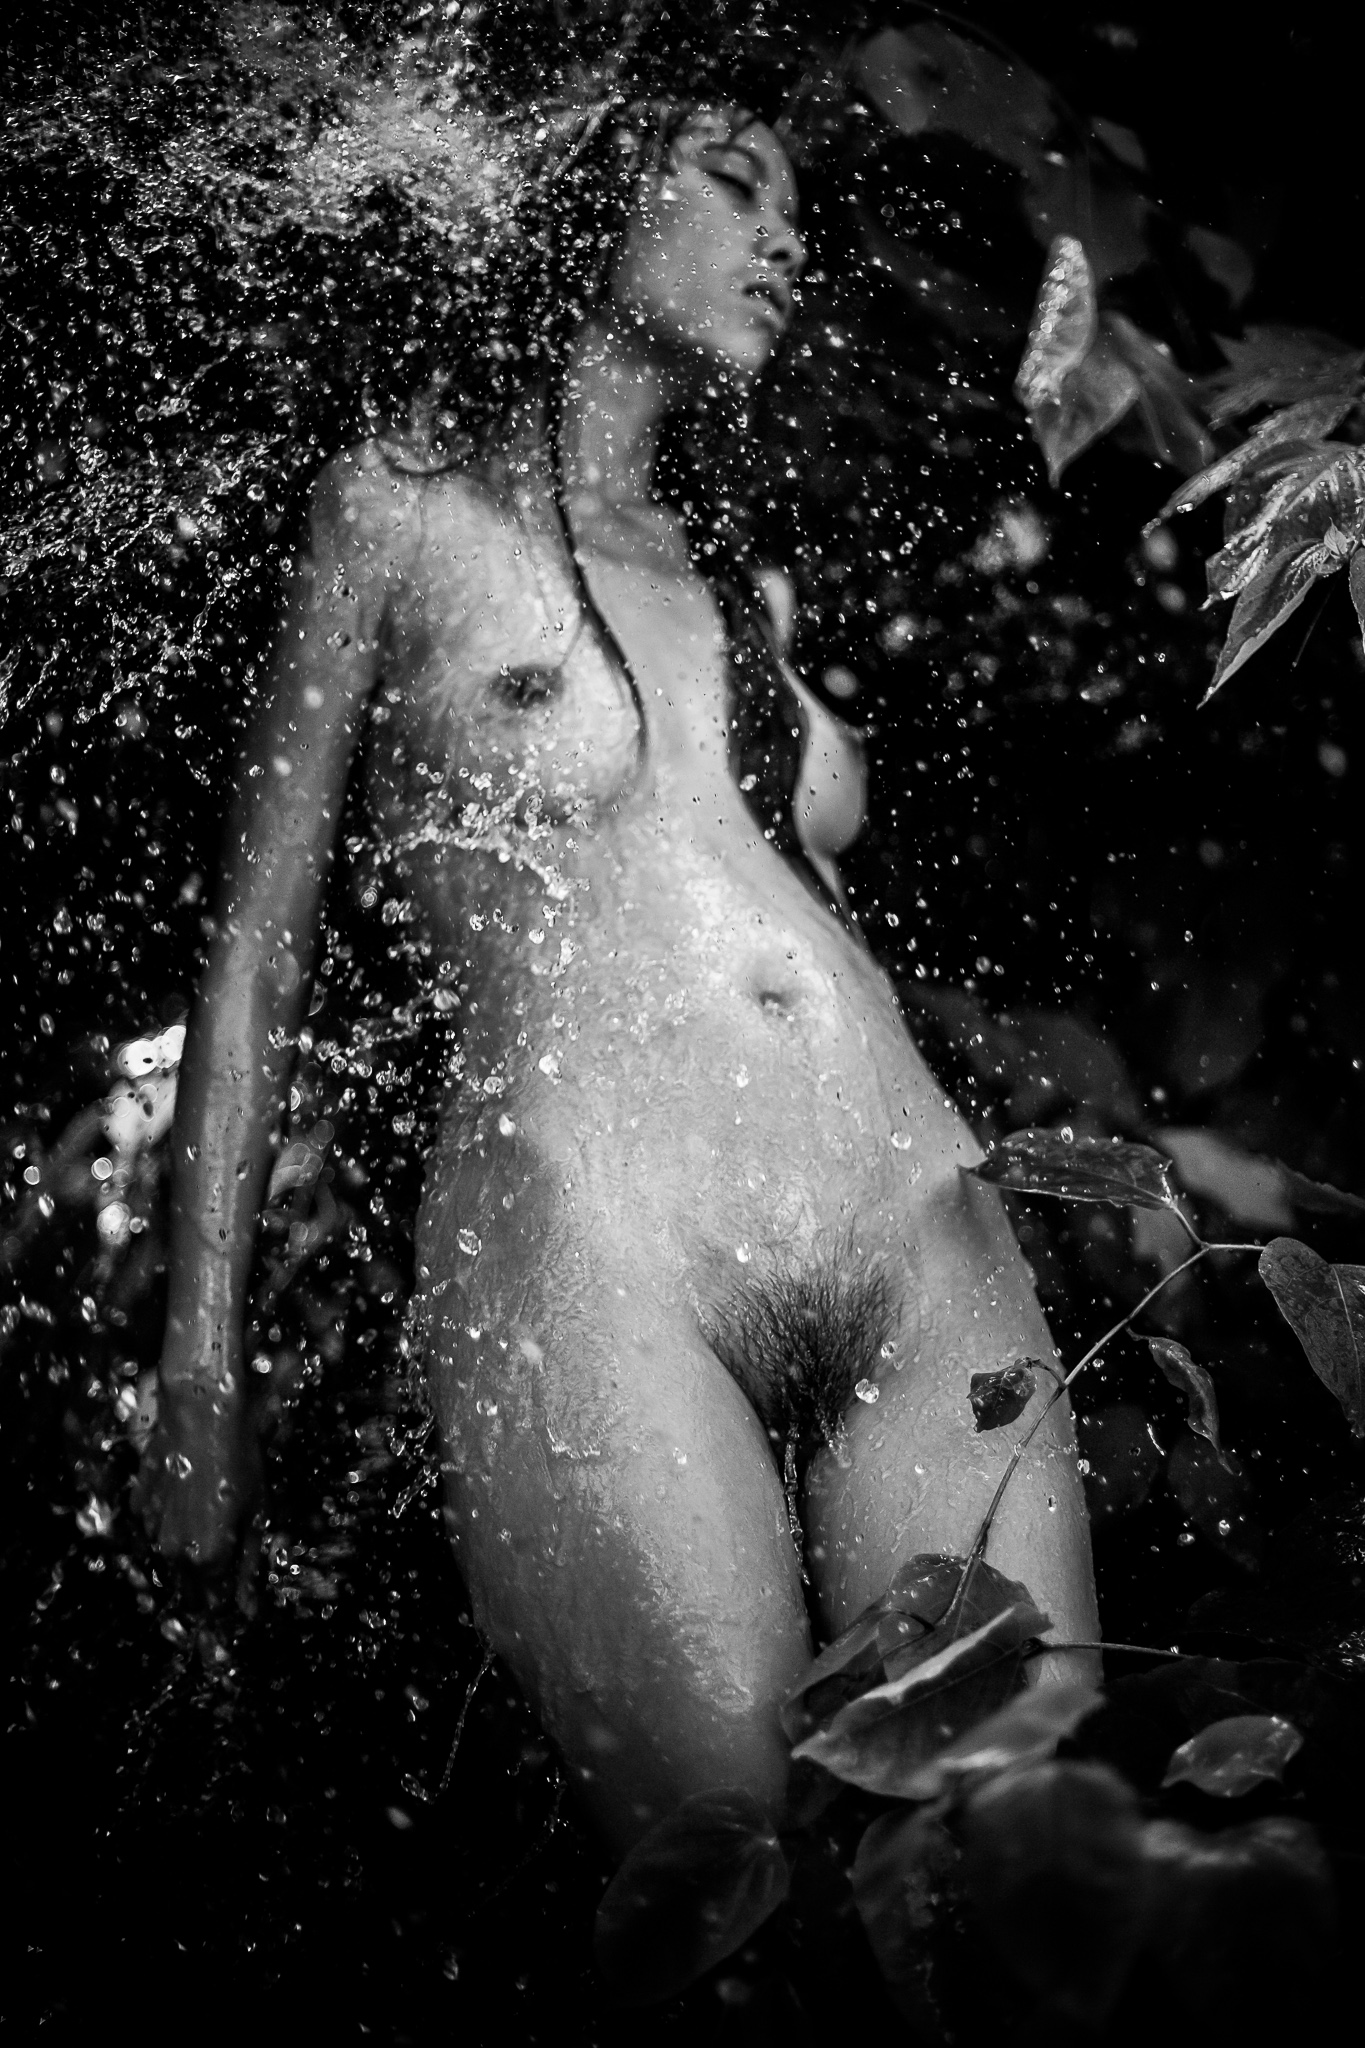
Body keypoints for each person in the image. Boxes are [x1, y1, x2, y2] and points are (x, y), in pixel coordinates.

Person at [143, 96, 1096, 1856]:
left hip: (916, 1226)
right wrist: (198, 1369)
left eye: (795, 206)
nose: (783, 237)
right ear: (589, 193)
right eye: (733, 182)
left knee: (1015, 1859)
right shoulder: (400, 512)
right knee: (727, 1876)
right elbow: (257, 951)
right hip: (600, 1243)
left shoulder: (744, 587)